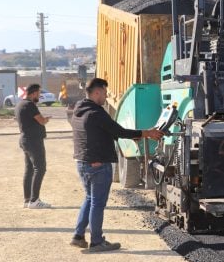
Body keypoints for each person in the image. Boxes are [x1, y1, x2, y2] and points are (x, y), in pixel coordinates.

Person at [70, 78, 164, 252]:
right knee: (97, 203)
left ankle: (78, 236)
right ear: (97, 92)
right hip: (98, 164)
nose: (106, 97)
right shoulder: (96, 112)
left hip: (82, 163)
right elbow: (119, 131)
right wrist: (146, 133)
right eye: (105, 93)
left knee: (90, 199)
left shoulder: (79, 109)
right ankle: (97, 242)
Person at [15, 84, 51, 209]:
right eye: (39, 93)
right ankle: (34, 200)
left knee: (29, 169)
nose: (40, 95)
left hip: (25, 140)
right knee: (40, 169)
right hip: (33, 141)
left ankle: (27, 200)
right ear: (33, 93)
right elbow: (40, 120)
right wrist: (46, 120)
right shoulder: (30, 105)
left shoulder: (20, 104)